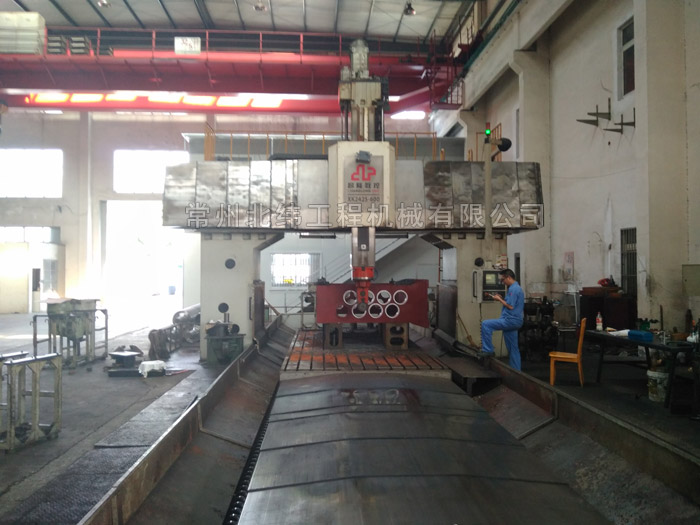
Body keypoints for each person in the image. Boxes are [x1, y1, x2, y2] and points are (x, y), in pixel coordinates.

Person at [479, 268, 524, 370]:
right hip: (516, 320)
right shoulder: (516, 288)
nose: (502, 282)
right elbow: (511, 303)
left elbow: (510, 306)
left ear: (509, 277)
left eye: (503, 280)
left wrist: (499, 299)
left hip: (510, 320)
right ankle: (516, 370)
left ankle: (488, 350)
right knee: (513, 348)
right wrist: (501, 299)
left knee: (486, 324)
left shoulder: (513, 289)